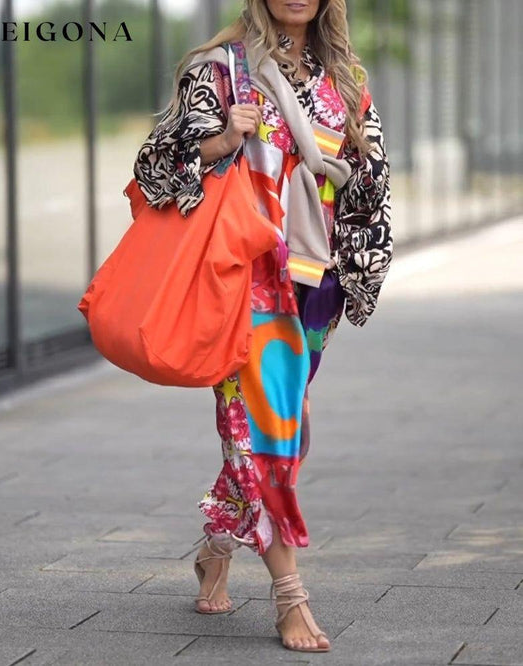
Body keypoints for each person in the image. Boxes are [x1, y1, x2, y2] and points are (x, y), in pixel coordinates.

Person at [133, 0, 393, 654]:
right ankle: (290, 596)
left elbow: (371, 185)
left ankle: (217, 544)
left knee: (287, 432)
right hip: (242, 282)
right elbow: (153, 167)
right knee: (261, 435)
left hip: (314, 284)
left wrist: (360, 268)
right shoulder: (220, 70)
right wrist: (222, 140)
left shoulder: (345, 80)